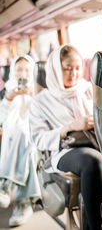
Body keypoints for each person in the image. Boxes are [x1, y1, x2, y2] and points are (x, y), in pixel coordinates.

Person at [29, 44, 102, 230]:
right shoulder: (40, 101)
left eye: (78, 68)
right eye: (67, 68)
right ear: (56, 69)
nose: (73, 73)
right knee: (92, 161)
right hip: (64, 150)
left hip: (98, 142)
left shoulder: (89, 89)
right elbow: (38, 139)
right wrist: (70, 127)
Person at [0, 55, 40, 227]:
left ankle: (5, 184)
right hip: (11, 136)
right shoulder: (6, 91)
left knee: (24, 134)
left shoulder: (40, 90)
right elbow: (1, 119)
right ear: (13, 72)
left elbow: (43, 117)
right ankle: (23, 203)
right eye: (19, 69)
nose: (22, 73)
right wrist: (9, 99)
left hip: (34, 133)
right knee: (22, 140)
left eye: (26, 69)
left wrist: (35, 96)